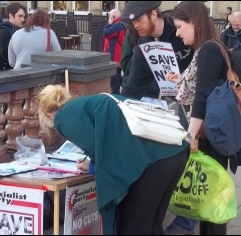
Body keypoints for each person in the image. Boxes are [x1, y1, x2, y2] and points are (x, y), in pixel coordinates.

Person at [36, 84, 190, 235]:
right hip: (173, 152)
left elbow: (95, 148)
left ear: (48, 114)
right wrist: (91, 164)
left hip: (150, 163)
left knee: (132, 226)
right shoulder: (86, 103)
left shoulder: (62, 117)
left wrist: (92, 167)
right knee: (151, 225)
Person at [165, 1, 239, 235]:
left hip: (208, 135)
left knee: (211, 199)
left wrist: (191, 135)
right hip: (213, 132)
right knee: (208, 199)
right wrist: (181, 80)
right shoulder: (210, 47)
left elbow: (202, 97)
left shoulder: (207, 50)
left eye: (179, 26)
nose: (177, 33)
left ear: (194, 22)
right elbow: (202, 85)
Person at [120, 1, 194, 130]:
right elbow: (133, 87)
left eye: (139, 20)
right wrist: (115, 106)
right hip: (183, 101)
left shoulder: (180, 28)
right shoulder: (144, 47)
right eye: (133, 22)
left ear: (153, 14)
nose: (135, 26)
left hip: (205, 96)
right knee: (189, 143)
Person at [0, 3, 26, 71]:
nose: (23, 19)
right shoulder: (3, 31)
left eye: (23, 16)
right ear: (11, 15)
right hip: (5, 71)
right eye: (20, 16)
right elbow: (5, 56)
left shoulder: (14, 29)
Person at [103, 9, 128, 94]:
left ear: (113, 17)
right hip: (116, 56)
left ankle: (117, 95)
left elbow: (106, 33)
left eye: (110, 16)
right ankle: (126, 87)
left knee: (114, 80)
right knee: (116, 76)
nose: (109, 18)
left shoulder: (118, 26)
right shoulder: (121, 25)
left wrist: (109, 24)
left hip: (114, 57)